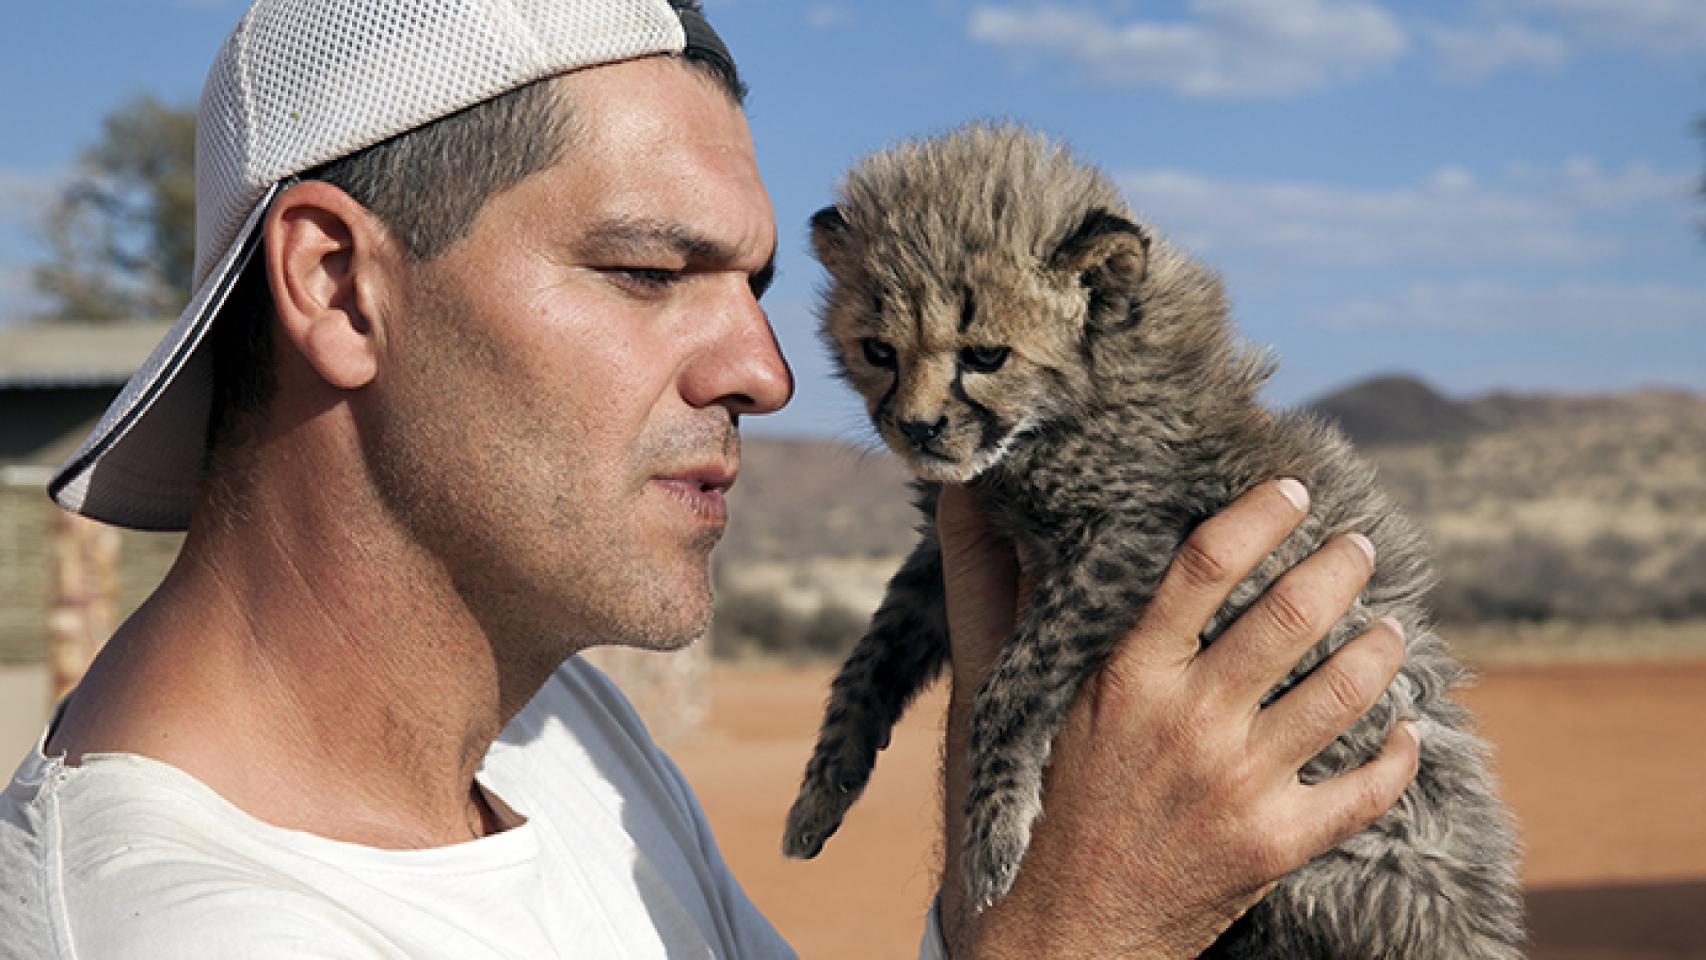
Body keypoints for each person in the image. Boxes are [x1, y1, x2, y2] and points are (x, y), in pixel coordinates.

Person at [0, 1, 1419, 957]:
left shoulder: (555, 738)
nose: (767, 371)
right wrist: (1090, 933)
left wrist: (1027, 843)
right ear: (337, 286)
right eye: (643, 272)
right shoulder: (185, 928)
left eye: (752, 285)